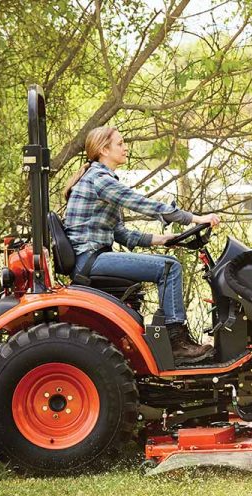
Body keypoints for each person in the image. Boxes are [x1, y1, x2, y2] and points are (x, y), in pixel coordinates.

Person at [62, 126, 220, 363]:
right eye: (120, 143)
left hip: (93, 257)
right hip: (90, 259)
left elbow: (122, 234)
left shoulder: (99, 180)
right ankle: (177, 343)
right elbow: (144, 204)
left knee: (168, 263)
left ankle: (176, 339)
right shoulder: (100, 179)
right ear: (104, 149)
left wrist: (165, 240)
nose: (126, 148)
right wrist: (197, 218)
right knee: (169, 268)